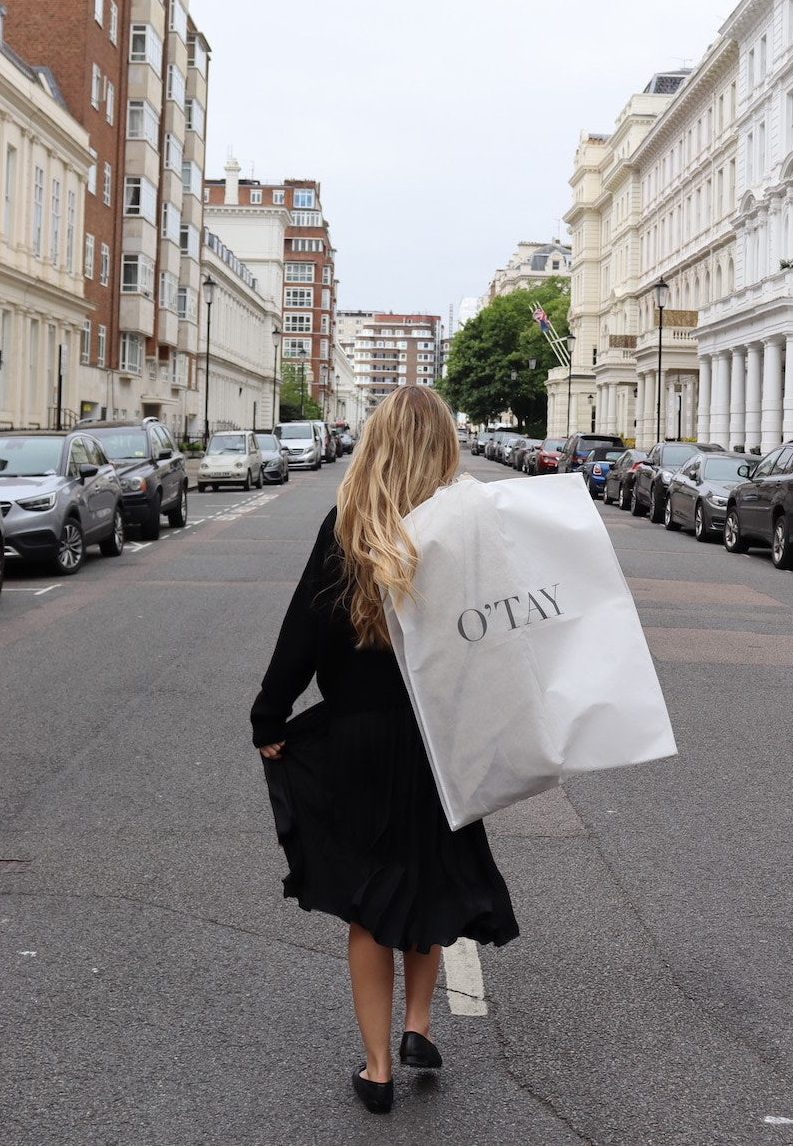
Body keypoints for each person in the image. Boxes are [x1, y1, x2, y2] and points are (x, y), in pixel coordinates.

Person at [251, 385, 519, 1116]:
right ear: (443, 449)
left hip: (358, 737)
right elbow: (497, 639)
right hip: (438, 734)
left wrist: (269, 716)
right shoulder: (463, 533)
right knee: (426, 873)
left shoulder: (347, 527)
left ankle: (376, 1069)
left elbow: (300, 637)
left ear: (374, 445)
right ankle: (419, 1027)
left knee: (370, 898)